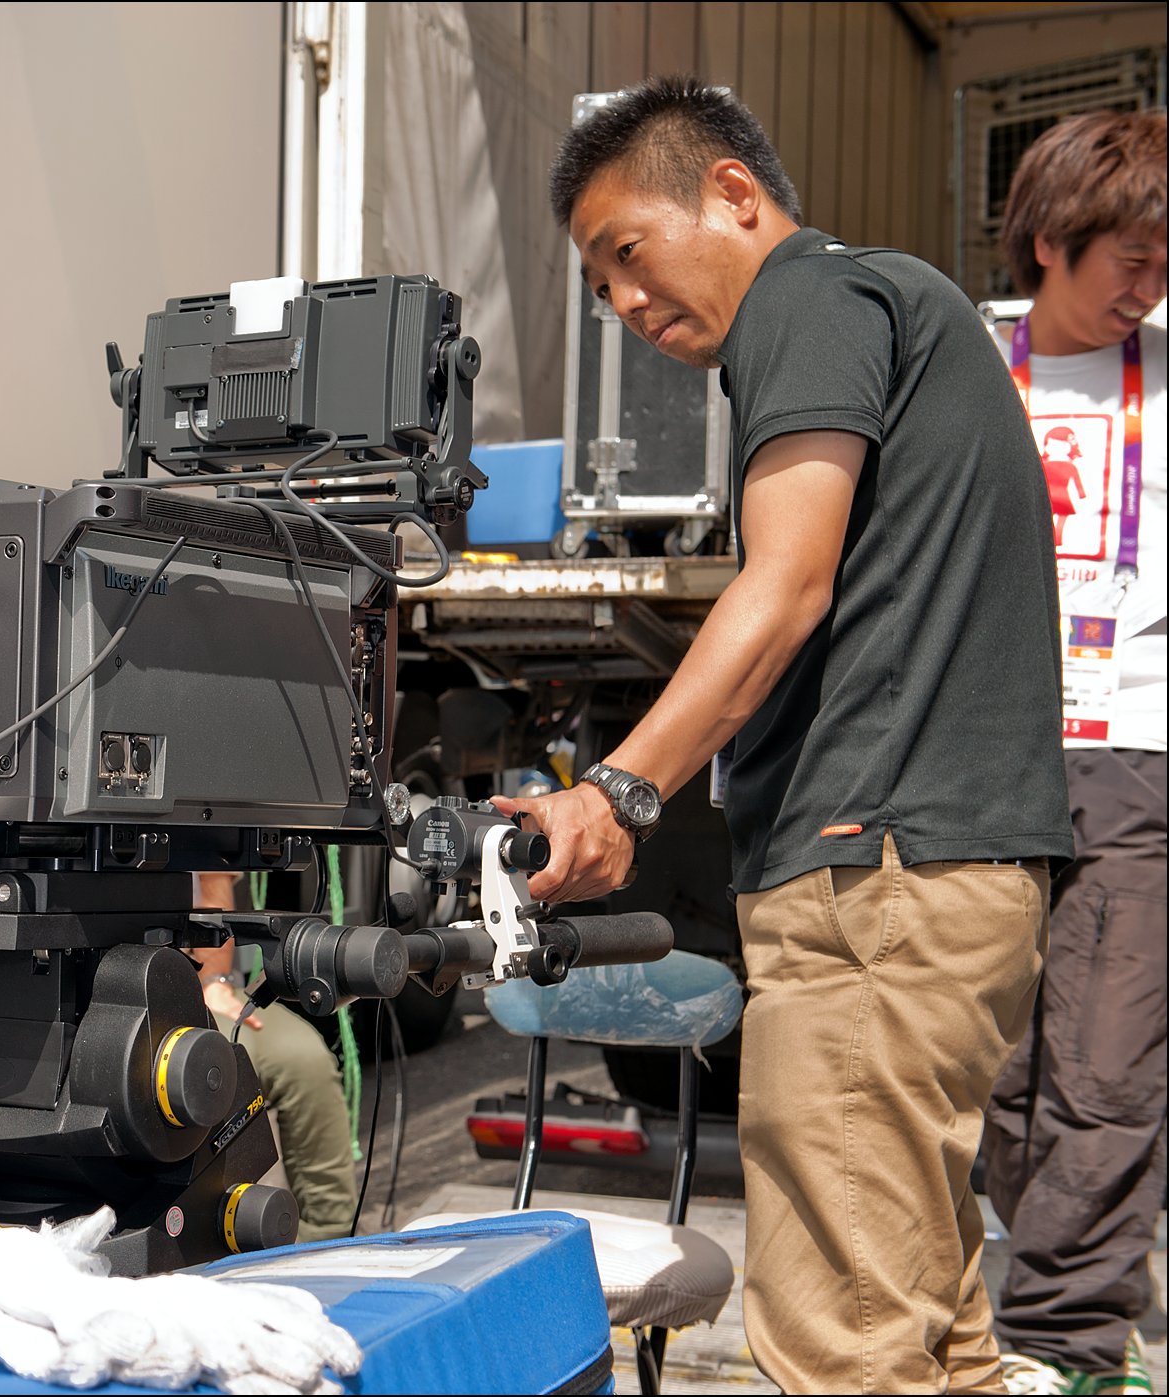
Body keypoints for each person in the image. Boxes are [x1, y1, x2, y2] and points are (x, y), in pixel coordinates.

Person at [515, 78, 1071, 1392]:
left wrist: (613, 794)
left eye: (628, 255)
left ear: (732, 192)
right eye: (600, 291)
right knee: (934, 1334)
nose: (628, 308)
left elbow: (785, 584)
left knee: (843, 1344)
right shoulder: (897, 309)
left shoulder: (811, 299)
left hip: (875, 878)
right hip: (944, 881)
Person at [979, 110, 1166, 1397]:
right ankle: (1000, 1300)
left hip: (1136, 747)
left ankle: (1070, 1342)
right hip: (979, 746)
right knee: (986, 1055)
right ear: (1051, 240)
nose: (1150, 287)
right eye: (1132, 260)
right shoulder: (966, 361)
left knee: (1107, 1060)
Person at [193, 872, 358, 1242]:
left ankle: (328, 1237)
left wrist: (214, 981)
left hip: (197, 982)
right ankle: (199, 1241)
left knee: (304, 1059)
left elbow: (212, 877)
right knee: (213, 1070)